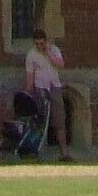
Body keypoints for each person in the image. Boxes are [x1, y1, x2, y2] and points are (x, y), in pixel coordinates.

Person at [22, 24, 70, 158]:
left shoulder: (54, 50)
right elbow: (30, 76)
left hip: (54, 86)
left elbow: (61, 64)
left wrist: (48, 52)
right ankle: (37, 151)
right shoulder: (31, 55)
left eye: (41, 43)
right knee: (40, 120)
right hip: (40, 88)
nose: (39, 46)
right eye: (37, 44)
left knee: (59, 119)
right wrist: (28, 93)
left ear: (45, 41)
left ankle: (64, 153)